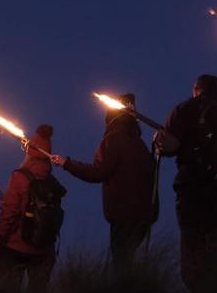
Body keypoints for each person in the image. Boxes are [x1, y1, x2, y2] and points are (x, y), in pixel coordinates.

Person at [156, 75, 217, 292]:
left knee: (192, 242)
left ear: (196, 89)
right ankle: (213, 292)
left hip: (192, 186)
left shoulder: (185, 109)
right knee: (213, 241)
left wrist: (159, 142)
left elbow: (170, 146)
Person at [52, 94, 158, 269]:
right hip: (144, 214)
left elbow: (98, 172)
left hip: (124, 214)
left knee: (122, 264)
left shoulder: (113, 140)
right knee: (130, 262)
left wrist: (67, 164)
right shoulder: (139, 143)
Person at [0, 125, 65, 293]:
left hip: (16, 246)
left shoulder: (20, 177)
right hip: (44, 248)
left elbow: (8, 212)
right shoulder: (51, 181)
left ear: (31, 151)